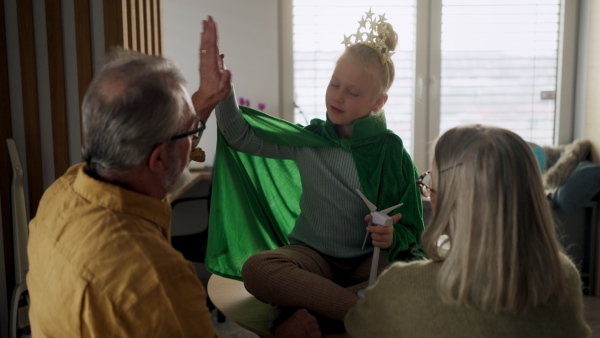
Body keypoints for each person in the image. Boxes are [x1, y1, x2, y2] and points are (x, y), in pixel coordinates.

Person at [200, 11, 424, 335]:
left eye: (353, 92)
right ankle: (360, 312)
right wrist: (223, 95)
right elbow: (241, 137)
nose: (338, 96)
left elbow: (412, 228)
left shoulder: (392, 153)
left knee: (412, 272)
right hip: (313, 258)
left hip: (368, 261)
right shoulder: (310, 140)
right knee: (257, 270)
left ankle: (315, 313)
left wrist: (391, 235)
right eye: (335, 84)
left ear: (379, 102)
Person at [26, 24, 231, 336]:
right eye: (190, 134)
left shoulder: (59, 194)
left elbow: (163, 153)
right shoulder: (157, 278)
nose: (193, 142)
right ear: (158, 159)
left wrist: (204, 99)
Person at [344, 124, 592, 338]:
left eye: (430, 184)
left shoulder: (404, 286)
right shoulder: (563, 277)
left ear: (450, 201)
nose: (428, 190)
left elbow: (356, 326)